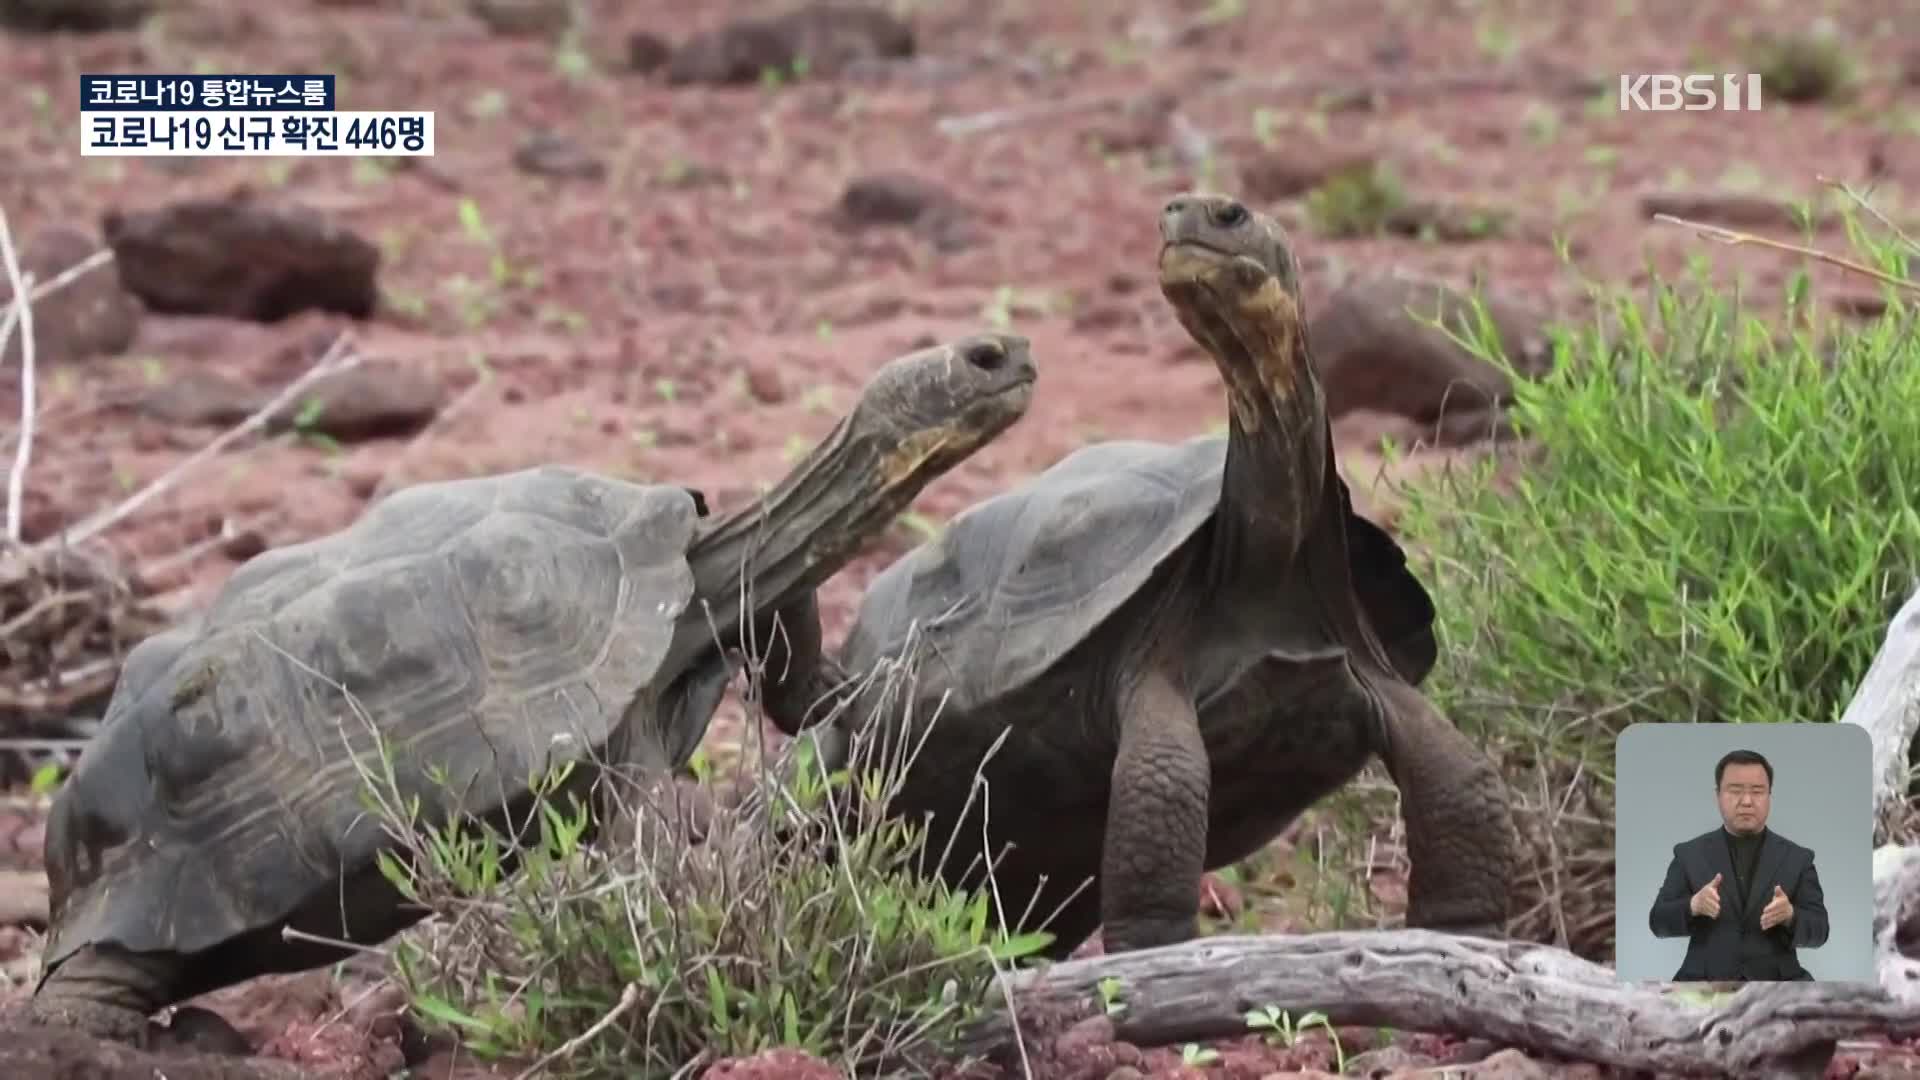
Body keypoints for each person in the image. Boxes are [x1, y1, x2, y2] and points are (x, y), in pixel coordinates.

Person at [1646, 748, 1829, 981]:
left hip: (1778, 986)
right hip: (1704, 983)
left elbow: (1820, 931)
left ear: (1769, 796)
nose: (1746, 801)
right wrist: (1692, 905)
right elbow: (1657, 921)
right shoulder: (1689, 855)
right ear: (1718, 795)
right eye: (1735, 791)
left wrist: (1791, 915)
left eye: (1757, 791)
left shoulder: (1798, 859)